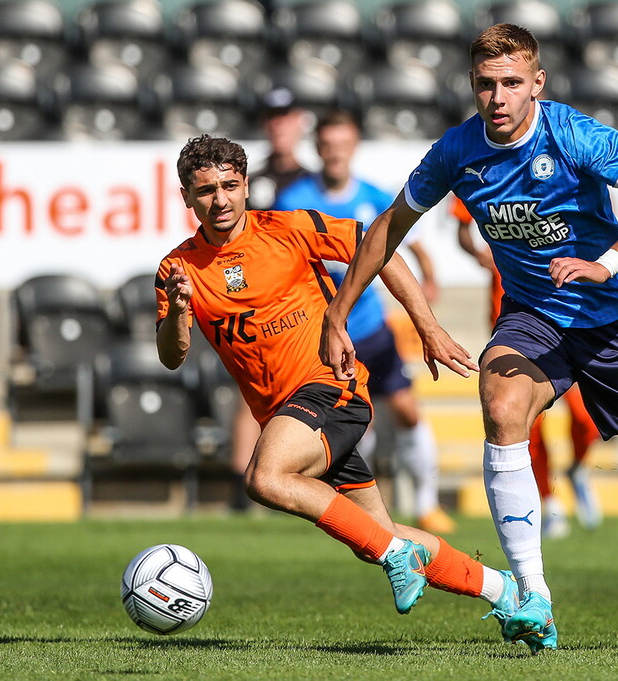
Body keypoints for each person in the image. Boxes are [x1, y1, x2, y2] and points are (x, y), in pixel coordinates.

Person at [321, 24, 618, 653]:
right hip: (534, 315)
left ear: (538, 83)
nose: (499, 97)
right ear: (472, 86)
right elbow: (386, 228)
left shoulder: (571, 134)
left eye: (512, 83)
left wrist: (605, 263)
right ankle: (535, 600)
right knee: (501, 402)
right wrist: (339, 313)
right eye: (486, 84)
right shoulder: (455, 152)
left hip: (612, 317)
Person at [155, 134, 519, 633]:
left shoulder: (289, 228)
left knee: (266, 478)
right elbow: (172, 357)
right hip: (287, 415)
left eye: (230, 186)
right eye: (205, 190)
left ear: (244, 187)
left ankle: (395, 554)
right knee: (379, 534)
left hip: (331, 388)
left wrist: (427, 326)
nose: (219, 200)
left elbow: (380, 247)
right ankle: (505, 592)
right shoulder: (178, 269)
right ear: (186, 197)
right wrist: (178, 312)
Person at [276, 109, 455, 534]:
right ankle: (365, 513)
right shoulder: (292, 200)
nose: (335, 152)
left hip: (372, 330)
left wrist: (428, 280)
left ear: (354, 146)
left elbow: (407, 242)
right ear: (317, 148)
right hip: (325, 338)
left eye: (343, 144)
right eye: (327, 144)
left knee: (408, 412)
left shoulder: (374, 195)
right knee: (357, 424)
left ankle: (427, 504)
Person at [452, 195, 602, 536]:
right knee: (527, 427)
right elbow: (462, 227)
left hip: (566, 316)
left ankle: (576, 469)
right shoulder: (477, 167)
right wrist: (479, 254)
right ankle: (550, 503)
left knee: (585, 417)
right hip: (516, 321)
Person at [229, 87, 313, 512]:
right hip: (256, 304)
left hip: (302, 304)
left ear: (300, 123)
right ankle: (241, 491)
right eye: (273, 118)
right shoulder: (251, 182)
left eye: (287, 116)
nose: (279, 125)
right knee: (254, 393)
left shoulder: (310, 183)